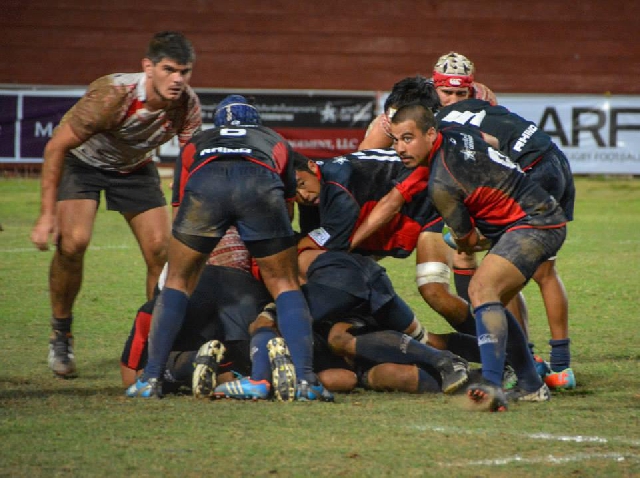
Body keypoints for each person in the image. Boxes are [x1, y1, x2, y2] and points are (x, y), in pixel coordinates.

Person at [125, 94, 332, 402]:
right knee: (285, 284)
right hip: (259, 183)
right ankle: (305, 380)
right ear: (255, 122)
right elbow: (286, 210)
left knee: (178, 282)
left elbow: (180, 208)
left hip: (205, 185)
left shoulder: (198, 142)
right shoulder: (273, 140)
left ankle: (151, 378)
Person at [30, 31, 202, 379]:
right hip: (83, 164)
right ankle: (61, 332)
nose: (177, 79)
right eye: (169, 70)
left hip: (135, 167)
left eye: (184, 72)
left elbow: (192, 159)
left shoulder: (187, 104)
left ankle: (159, 341)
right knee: (73, 242)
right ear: (148, 67)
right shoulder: (113, 95)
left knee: (161, 250)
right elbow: (55, 148)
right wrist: (47, 214)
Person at [388, 104, 568, 411]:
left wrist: (461, 237)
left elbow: (467, 242)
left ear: (431, 134)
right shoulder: (457, 131)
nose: (400, 148)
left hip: (535, 222)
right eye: (395, 140)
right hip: (534, 212)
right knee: (491, 303)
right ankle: (530, 385)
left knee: (480, 290)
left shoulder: (442, 185)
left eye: (408, 138)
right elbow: (493, 143)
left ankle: (492, 384)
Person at [436, 97, 577, 389]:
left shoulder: (443, 123)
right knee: (543, 273)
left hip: (529, 174)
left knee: (497, 273)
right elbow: (492, 140)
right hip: (555, 159)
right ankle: (560, 367)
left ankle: (521, 363)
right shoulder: (481, 101)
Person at [294, 148, 477, 336]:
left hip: (431, 206)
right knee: (338, 270)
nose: (304, 195)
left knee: (434, 290)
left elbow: (335, 242)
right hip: (400, 214)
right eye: (295, 193)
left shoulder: (338, 182)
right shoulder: (316, 192)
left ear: (312, 166)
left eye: (302, 183)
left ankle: (490, 344)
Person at [297, 249, 473, 395]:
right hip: (357, 362)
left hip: (355, 306)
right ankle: (478, 380)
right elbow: (346, 379)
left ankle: (446, 359)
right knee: (390, 374)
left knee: (339, 338)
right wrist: (301, 380)